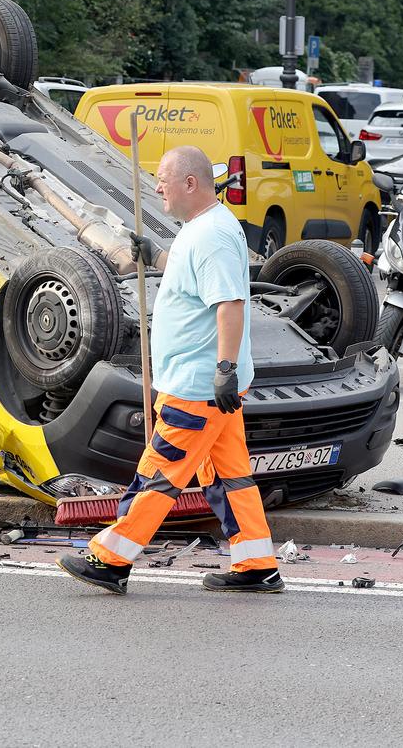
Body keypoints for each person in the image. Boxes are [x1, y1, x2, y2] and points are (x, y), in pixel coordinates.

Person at [58, 144, 282, 595]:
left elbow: (230, 306)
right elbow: (193, 279)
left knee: (159, 473)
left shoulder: (211, 236)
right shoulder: (201, 230)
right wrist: (157, 255)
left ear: (190, 183)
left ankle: (110, 558)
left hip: (199, 386)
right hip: (205, 385)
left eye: (163, 178)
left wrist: (223, 369)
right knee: (228, 477)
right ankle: (257, 565)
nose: (157, 186)